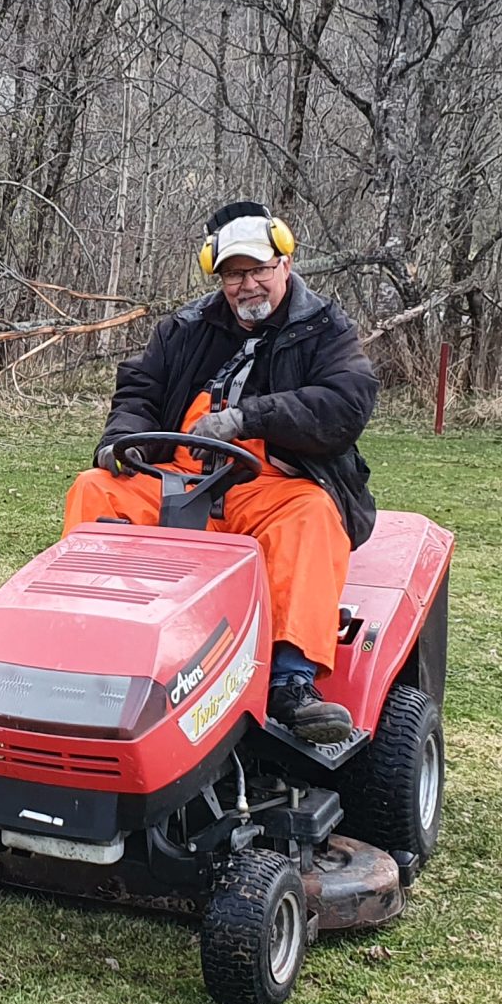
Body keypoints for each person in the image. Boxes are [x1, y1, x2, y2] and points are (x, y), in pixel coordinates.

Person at [61, 201, 376, 744]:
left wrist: (248, 418)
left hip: (271, 486)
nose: (247, 284)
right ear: (218, 276)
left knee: (311, 515)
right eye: (233, 274)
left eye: (258, 270)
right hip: (180, 483)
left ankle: (291, 681)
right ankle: (88, 651)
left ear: (285, 264)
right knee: (96, 490)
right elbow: (140, 393)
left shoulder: (326, 330)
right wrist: (120, 441)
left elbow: (344, 405)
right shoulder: (184, 329)